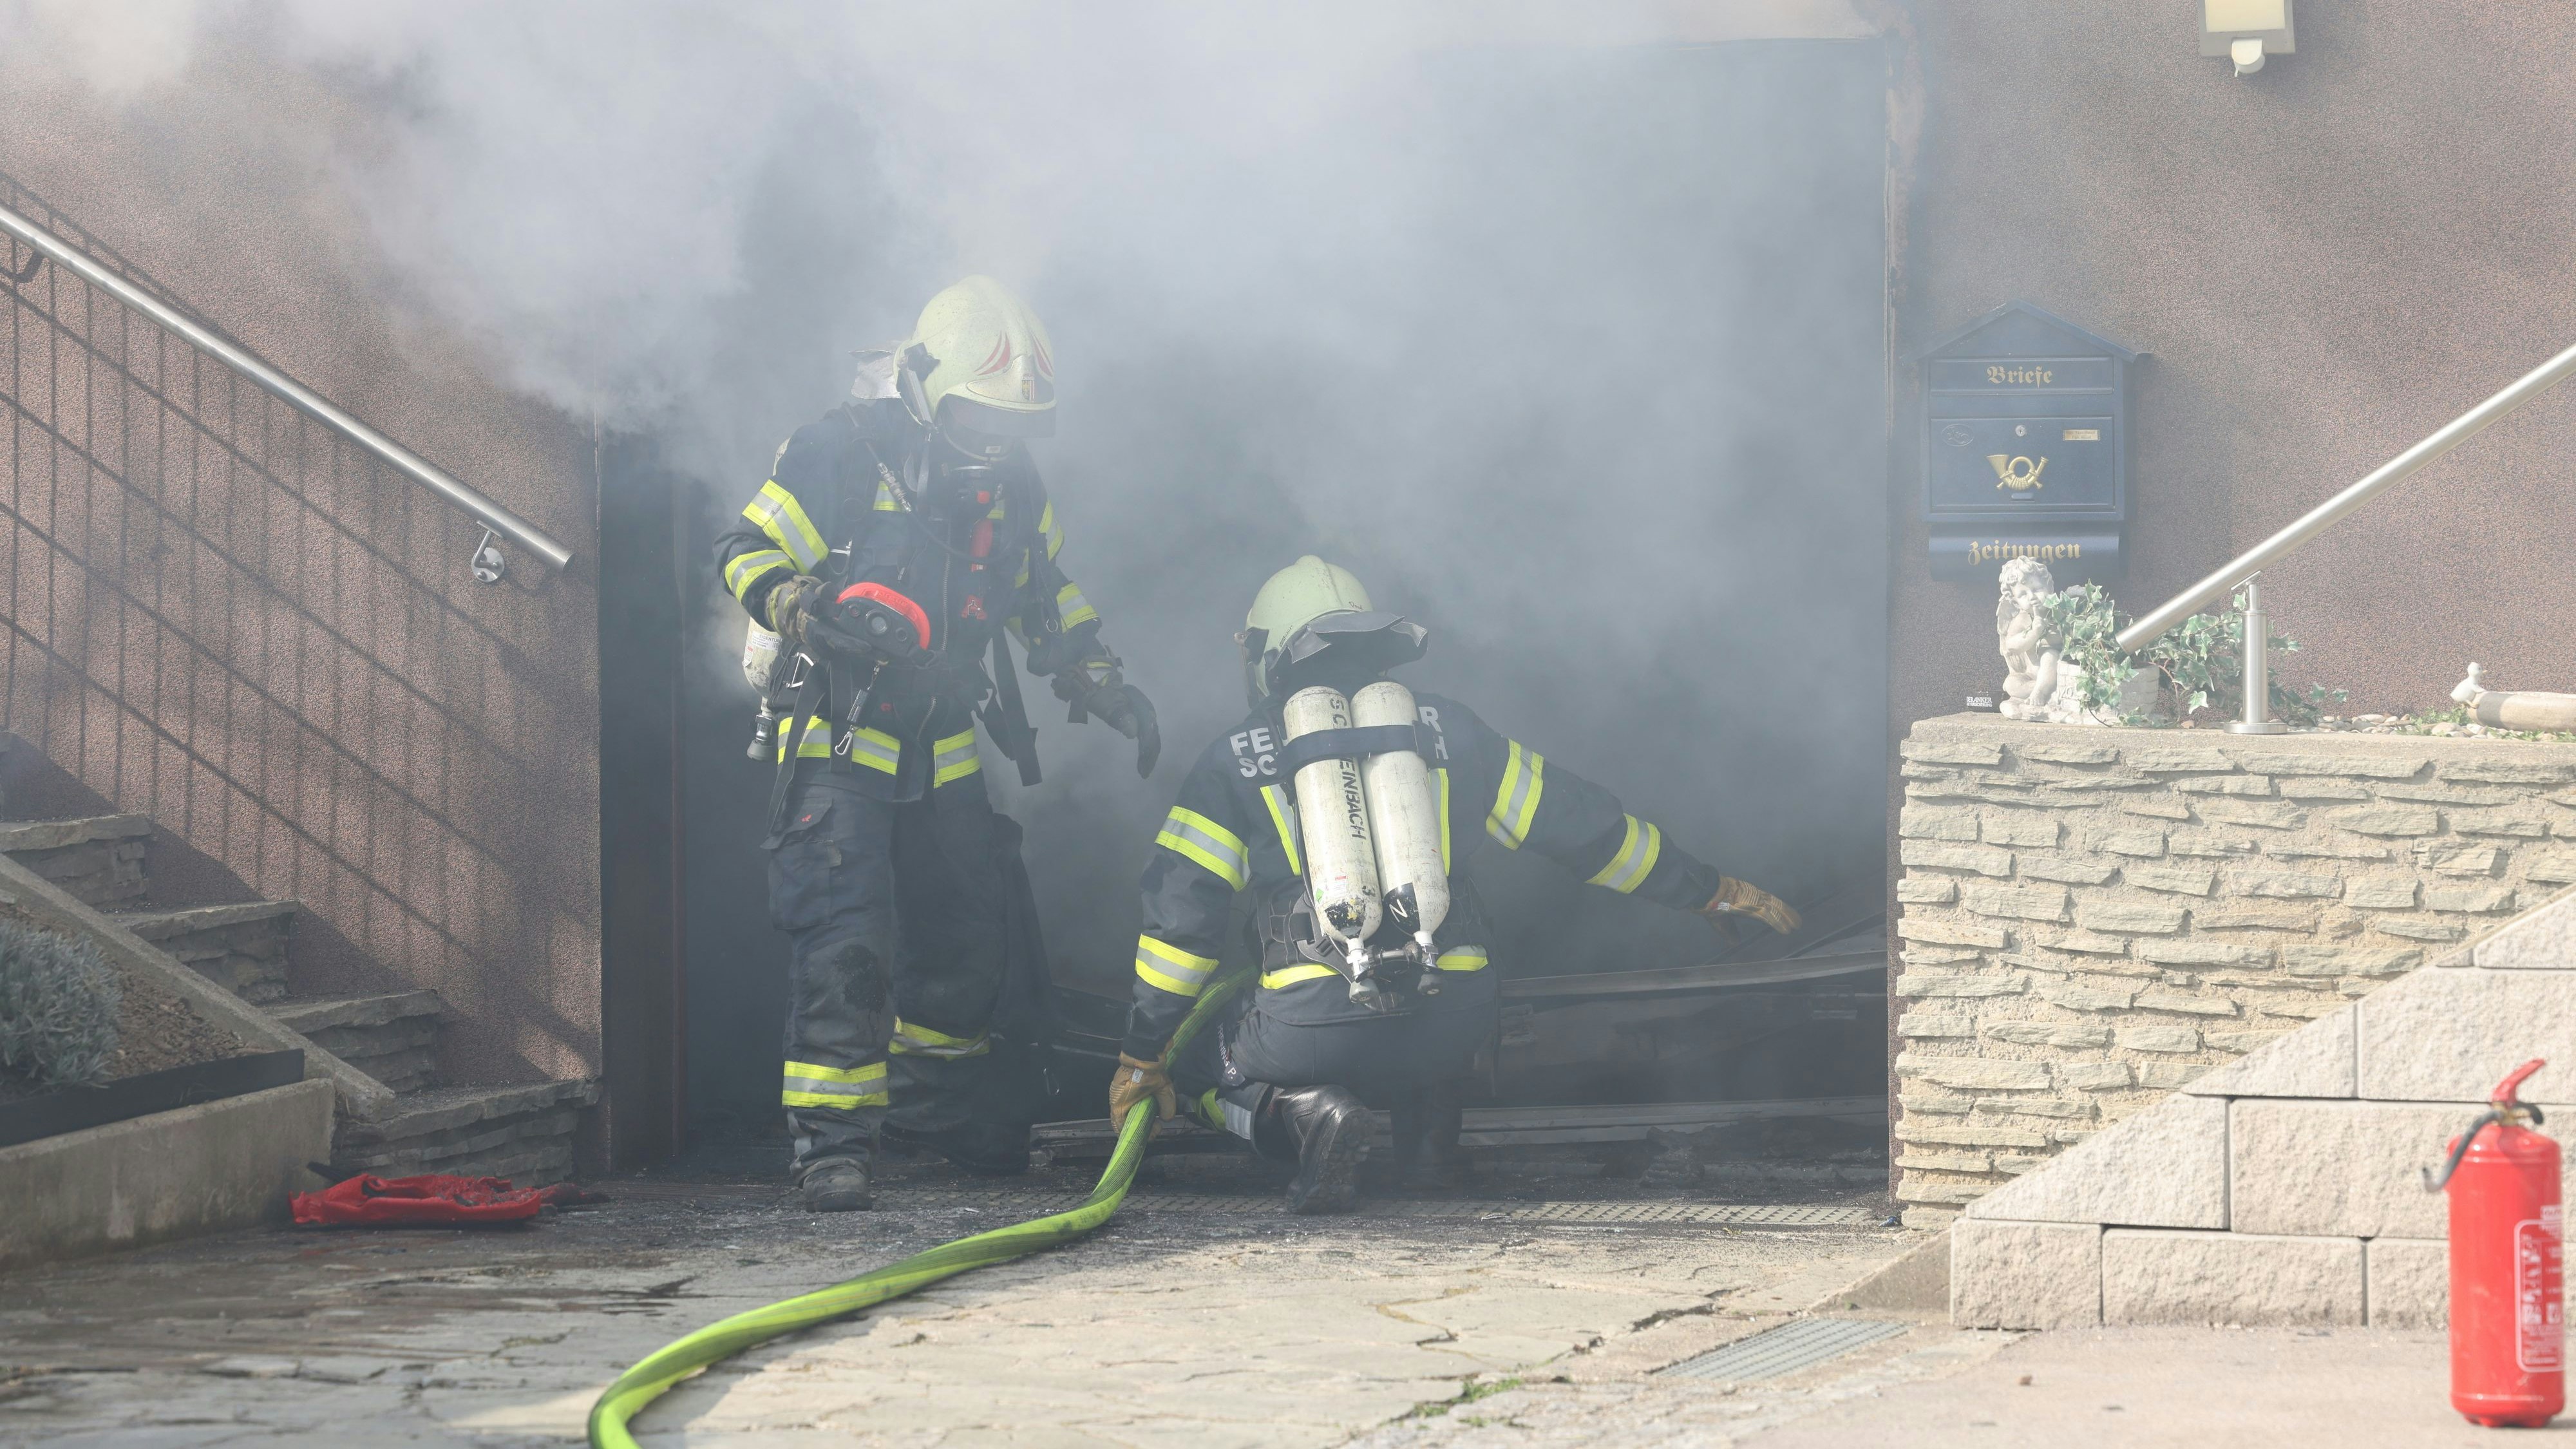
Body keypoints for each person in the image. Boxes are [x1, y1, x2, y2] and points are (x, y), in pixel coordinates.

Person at [1108, 555, 1800, 1212]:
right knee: (1430, 1008)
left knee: (1196, 1061)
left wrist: (1144, 1053)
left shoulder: (1233, 759)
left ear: (1267, 655)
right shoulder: (1451, 731)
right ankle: (1430, 1152)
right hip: (1454, 1011)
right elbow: (1585, 829)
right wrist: (1704, 889)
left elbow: (1181, 925)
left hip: (1312, 1024)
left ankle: (1304, 1118)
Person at [717, 276, 1158, 1211]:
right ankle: (831, 1144)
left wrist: (1101, 679)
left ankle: (930, 1113)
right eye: (977, 415)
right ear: (924, 385)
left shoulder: (1013, 482)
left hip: (944, 736)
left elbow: (1044, 593)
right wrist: (803, 605)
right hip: (841, 731)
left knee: (967, 936)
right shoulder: (838, 452)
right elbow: (744, 551)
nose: (994, 440)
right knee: (845, 943)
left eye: (1014, 424)